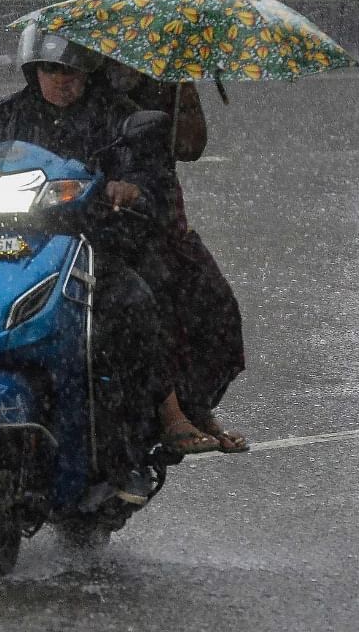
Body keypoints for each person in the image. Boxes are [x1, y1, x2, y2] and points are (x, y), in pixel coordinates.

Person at [0, 24, 195, 503]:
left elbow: (149, 178)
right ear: (33, 70)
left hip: (88, 246)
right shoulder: (2, 115)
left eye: (71, 70)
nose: (62, 80)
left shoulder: (116, 117)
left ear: (88, 72)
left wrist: (127, 189)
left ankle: (129, 452)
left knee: (133, 303)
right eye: (51, 69)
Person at [103, 62, 249, 453]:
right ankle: (170, 413)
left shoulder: (166, 80)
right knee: (147, 303)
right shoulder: (85, 86)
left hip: (158, 213)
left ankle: (195, 405)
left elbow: (190, 147)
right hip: (101, 218)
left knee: (216, 309)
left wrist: (183, 90)